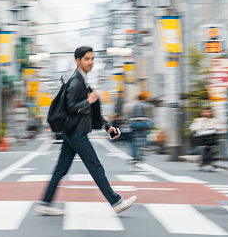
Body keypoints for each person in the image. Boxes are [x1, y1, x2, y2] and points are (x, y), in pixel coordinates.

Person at [35, 46, 137, 216]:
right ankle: (116, 201)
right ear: (78, 61)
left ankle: (45, 202)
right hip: (76, 133)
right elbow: (70, 107)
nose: (91, 62)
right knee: (95, 166)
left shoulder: (82, 80)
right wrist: (88, 101)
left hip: (72, 132)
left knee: (61, 169)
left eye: (92, 58)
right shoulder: (76, 82)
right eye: (87, 59)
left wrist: (107, 126)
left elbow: (91, 111)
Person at [125, 92, 154, 163]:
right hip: (145, 124)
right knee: (146, 135)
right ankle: (146, 145)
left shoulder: (132, 105)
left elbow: (128, 115)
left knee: (133, 140)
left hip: (134, 124)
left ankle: (135, 156)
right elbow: (151, 116)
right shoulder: (149, 105)